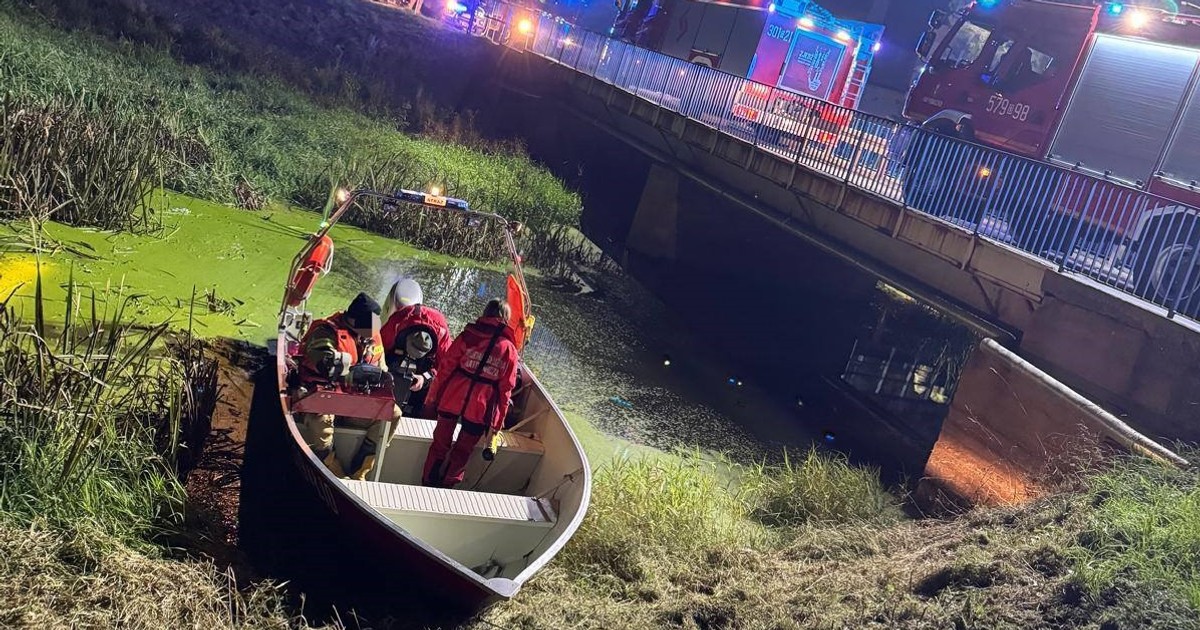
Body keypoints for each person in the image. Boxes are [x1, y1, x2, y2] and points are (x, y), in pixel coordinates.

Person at [296, 292, 399, 480]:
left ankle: (361, 469)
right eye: (369, 325)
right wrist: (341, 367)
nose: (374, 330)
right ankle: (332, 468)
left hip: (354, 402)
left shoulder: (373, 336)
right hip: (323, 398)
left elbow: (382, 365)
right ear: (353, 320)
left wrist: (384, 377)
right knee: (320, 421)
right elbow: (321, 356)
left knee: (393, 413)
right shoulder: (326, 331)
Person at [421, 298, 520, 488]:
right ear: (506, 319)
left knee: (440, 443)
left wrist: (432, 397)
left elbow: (445, 368)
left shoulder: (468, 335)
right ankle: (447, 486)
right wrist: (496, 426)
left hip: (453, 397)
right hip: (480, 406)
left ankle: (427, 481)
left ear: (485, 313)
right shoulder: (509, 350)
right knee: (463, 451)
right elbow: (505, 390)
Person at [380, 280, 452, 416]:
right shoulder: (398, 320)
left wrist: (425, 378)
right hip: (396, 357)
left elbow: (446, 366)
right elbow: (381, 348)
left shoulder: (441, 330)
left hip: (425, 368)